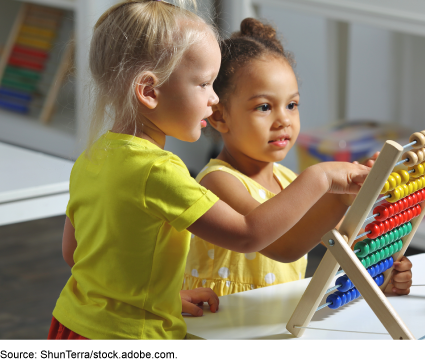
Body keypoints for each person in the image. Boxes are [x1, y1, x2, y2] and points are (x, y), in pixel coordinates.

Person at [49, 1, 370, 340]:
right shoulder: (159, 171)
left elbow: (75, 253)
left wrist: (162, 296)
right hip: (130, 339)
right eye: (204, 84)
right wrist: (319, 177)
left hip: (71, 324)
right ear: (150, 91)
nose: (214, 99)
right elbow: (248, 234)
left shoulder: (93, 157)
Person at [183, 18, 413, 298]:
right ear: (219, 116)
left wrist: (383, 272)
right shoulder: (217, 182)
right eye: (264, 107)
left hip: (278, 318)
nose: (284, 120)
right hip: (223, 323)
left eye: (292, 105)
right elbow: (284, 245)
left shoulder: (289, 182)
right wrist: (326, 182)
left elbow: (350, 246)